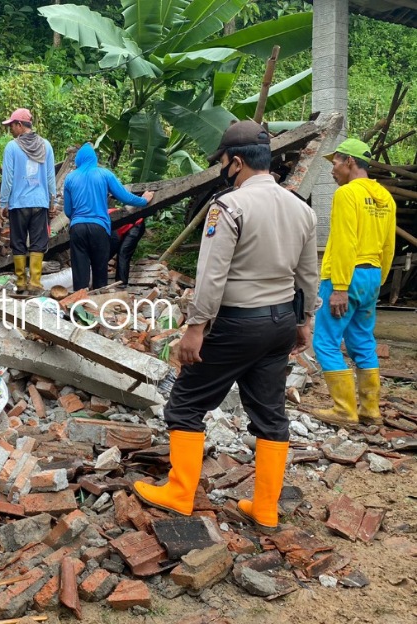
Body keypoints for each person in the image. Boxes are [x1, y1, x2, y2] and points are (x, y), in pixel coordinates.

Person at [132, 121, 319, 534]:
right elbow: (309, 275)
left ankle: (180, 492)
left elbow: (212, 275)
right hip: (280, 323)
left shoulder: (229, 207)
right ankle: (265, 508)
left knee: (185, 405)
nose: (222, 168)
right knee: (270, 415)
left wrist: (195, 328)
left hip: (238, 322)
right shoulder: (301, 208)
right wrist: (305, 321)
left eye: (222, 162)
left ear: (235, 162)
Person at [312, 139, 397, 427]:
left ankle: (344, 410)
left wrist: (339, 287)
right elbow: (388, 245)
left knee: (325, 342)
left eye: (335, 162)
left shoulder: (347, 194)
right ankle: (370, 410)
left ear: (349, 161)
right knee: (362, 340)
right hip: (372, 276)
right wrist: (378, 282)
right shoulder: (385, 197)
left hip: (345, 276)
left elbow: (345, 242)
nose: (332, 169)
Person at [63, 143, 153, 291]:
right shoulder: (105, 174)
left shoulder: (70, 178)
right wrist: (144, 200)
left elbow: (68, 211)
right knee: (100, 270)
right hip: (99, 228)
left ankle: (79, 300)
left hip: (77, 228)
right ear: (94, 159)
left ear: (79, 159)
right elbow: (125, 197)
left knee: (80, 272)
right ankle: (99, 300)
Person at [0, 108, 56, 295]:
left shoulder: (12, 147)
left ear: (19, 125)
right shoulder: (46, 145)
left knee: (18, 242)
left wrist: (3, 202)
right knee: (38, 242)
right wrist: (52, 200)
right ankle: (35, 282)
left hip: (18, 203)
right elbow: (50, 177)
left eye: (12, 125)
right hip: (39, 202)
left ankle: (21, 282)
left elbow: (8, 178)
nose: (10, 129)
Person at [110, 213, 146, 288]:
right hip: (124, 228)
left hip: (135, 225)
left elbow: (113, 244)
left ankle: (121, 282)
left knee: (123, 252)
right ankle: (120, 281)